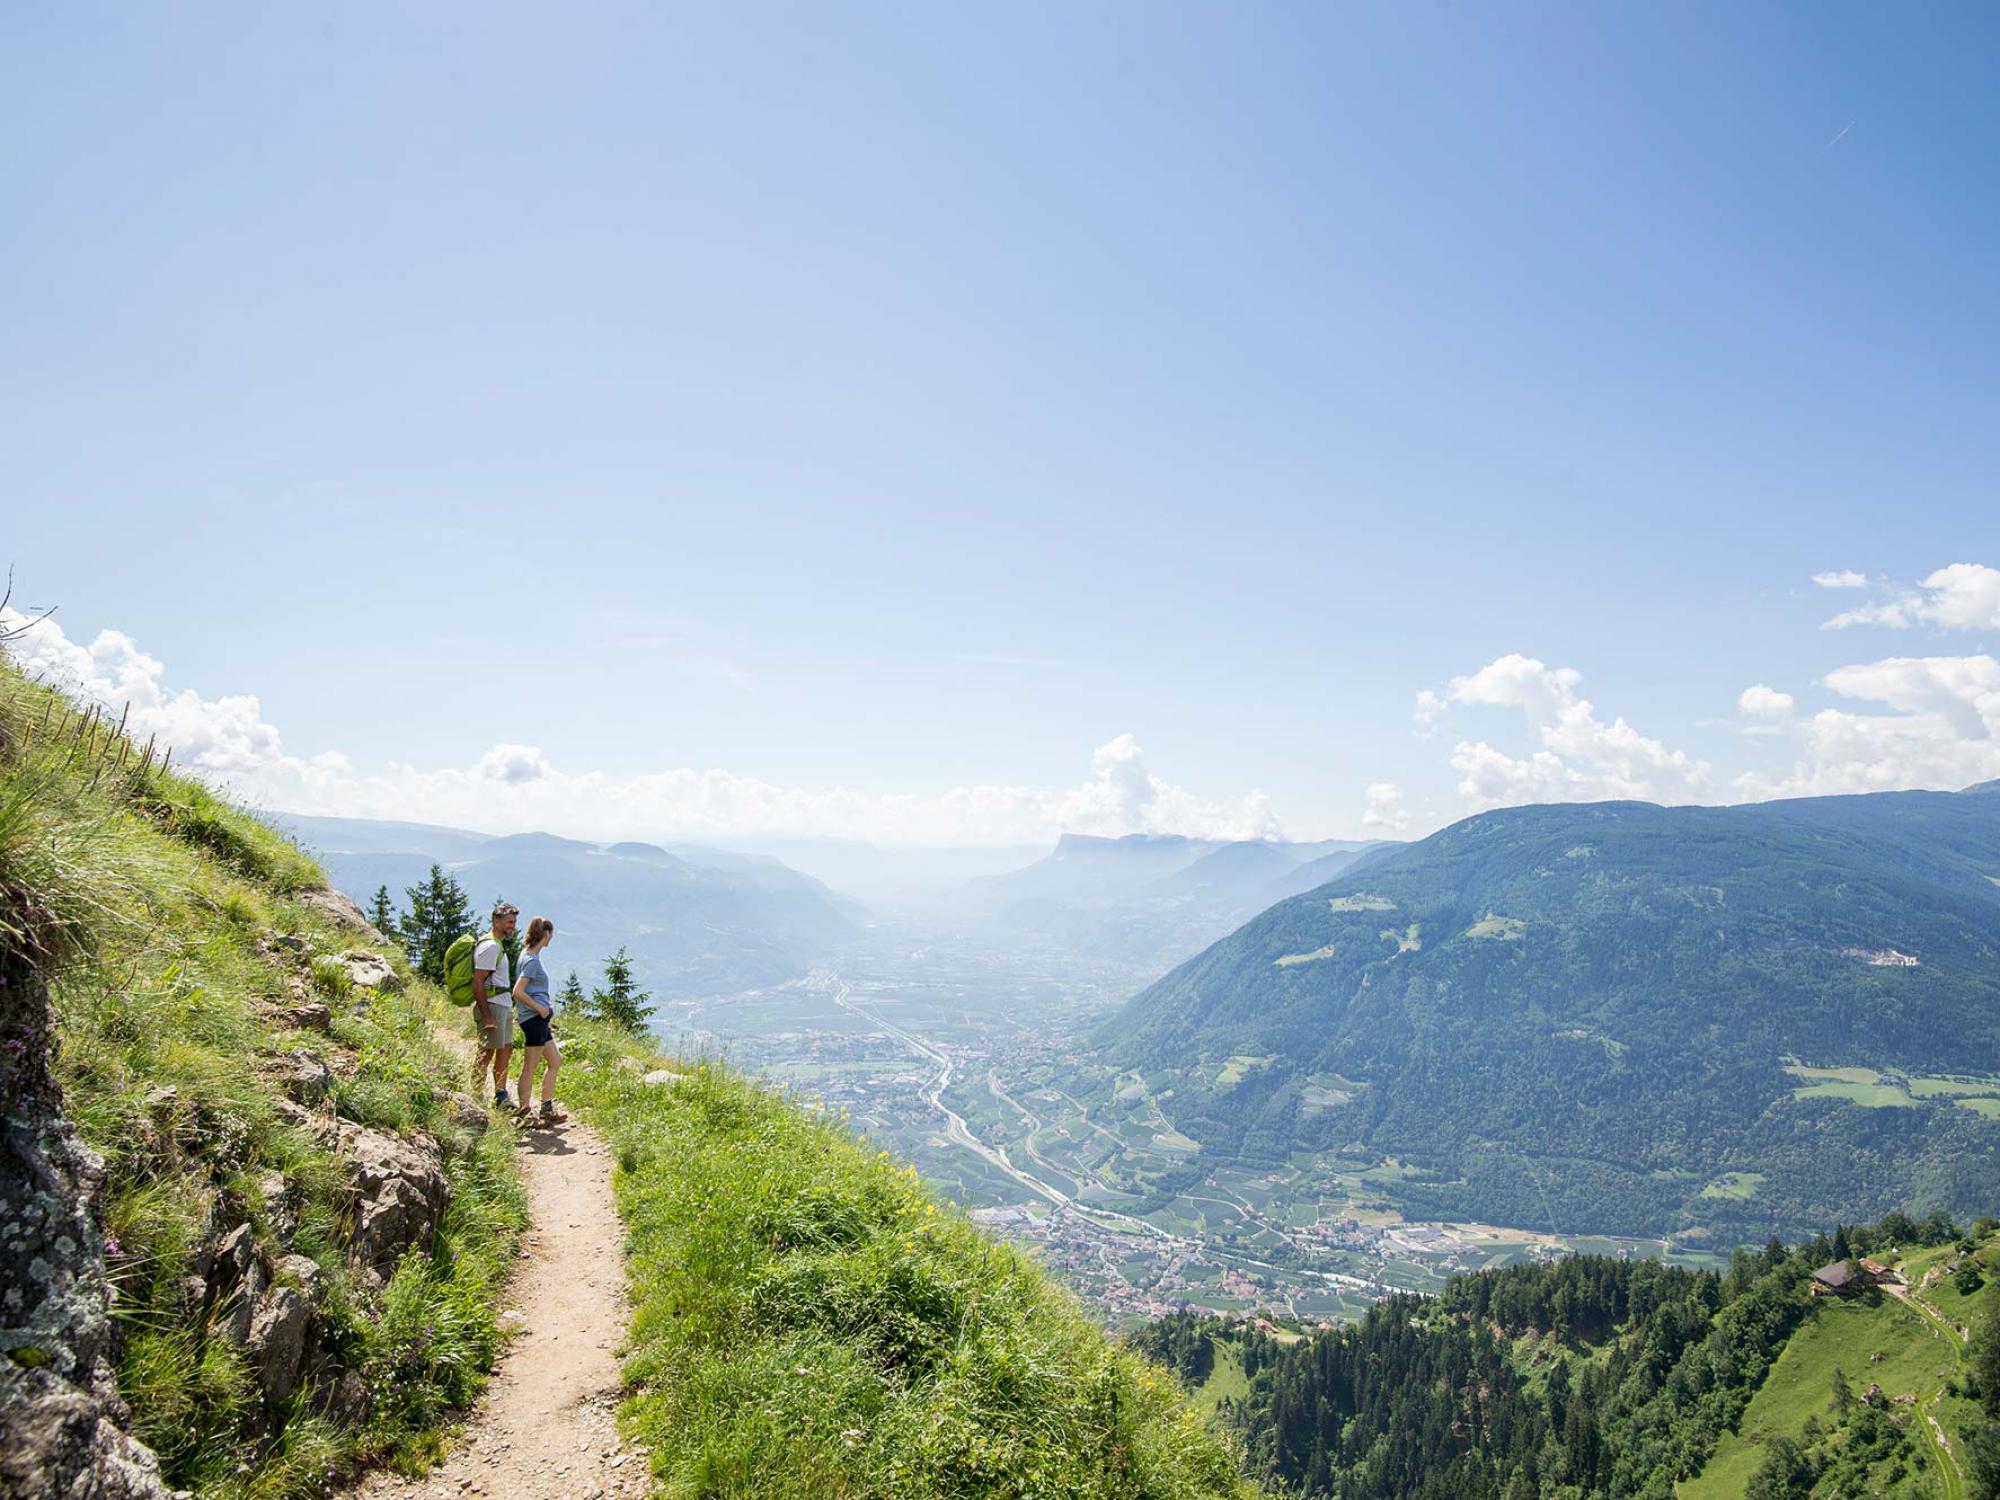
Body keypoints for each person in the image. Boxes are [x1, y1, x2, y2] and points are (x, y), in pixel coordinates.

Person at [511, 915, 564, 1126]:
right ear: (546, 934)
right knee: (530, 1066)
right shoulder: (532, 961)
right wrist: (540, 1009)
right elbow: (518, 991)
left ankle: (546, 1108)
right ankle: (525, 1113)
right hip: (534, 1019)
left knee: (555, 1060)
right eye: (551, 934)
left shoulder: (526, 955)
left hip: (538, 1021)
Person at [472, 903, 519, 1108]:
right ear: (496, 921)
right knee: (487, 1052)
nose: (512, 926)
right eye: (509, 922)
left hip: (503, 1004)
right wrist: (487, 1015)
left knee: (505, 1049)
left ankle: (500, 1094)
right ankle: (475, 1094)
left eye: (514, 922)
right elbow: (477, 981)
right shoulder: (490, 946)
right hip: (493, 1006)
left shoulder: (497, 945)